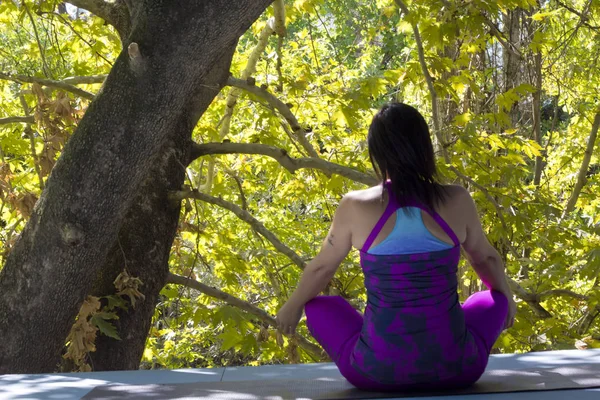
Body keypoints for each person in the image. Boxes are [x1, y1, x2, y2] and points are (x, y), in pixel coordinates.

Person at [275, 102, 517, 392]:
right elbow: (486, 258)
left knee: (319, 306)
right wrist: (507, 299)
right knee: (491, 299)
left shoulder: (355, 205)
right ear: (424, 147)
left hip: (375, 372)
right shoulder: (456, 199)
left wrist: (292, 306)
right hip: (458, 369)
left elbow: (322, 268)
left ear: (377, 152)